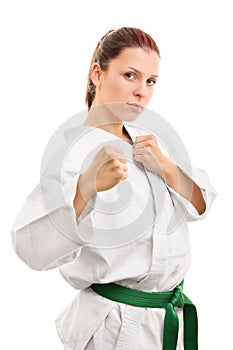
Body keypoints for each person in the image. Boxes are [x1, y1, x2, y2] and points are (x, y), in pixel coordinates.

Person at [11, 27, 217, 350]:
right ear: (98, 72)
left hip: (165, 322)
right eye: (130, 75)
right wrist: (86, 187)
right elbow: (29, 245)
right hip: (116, 329)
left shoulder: (153, 144)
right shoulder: (71, 155)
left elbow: (202, 203)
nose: (142, 92)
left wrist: (165, 166)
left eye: (150, 81)